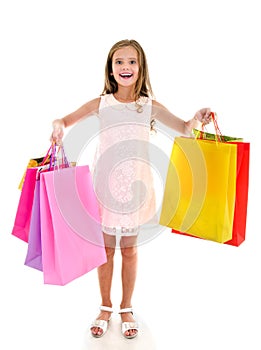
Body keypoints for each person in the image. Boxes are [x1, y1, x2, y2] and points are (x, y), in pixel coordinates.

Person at [50, 39, 212, 339]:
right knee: (107, 250)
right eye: (119, 62)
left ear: (141, 68)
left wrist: (197, 118)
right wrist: (59, 126)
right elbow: (65, 119)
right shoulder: (102, 103)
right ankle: (105, 305)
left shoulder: (147, 106)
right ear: (111, 70)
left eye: (131, 62)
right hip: (105, 189)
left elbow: (185, 128)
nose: (125, 67)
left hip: (136, 189)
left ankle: (126, 306)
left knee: (130, 249)